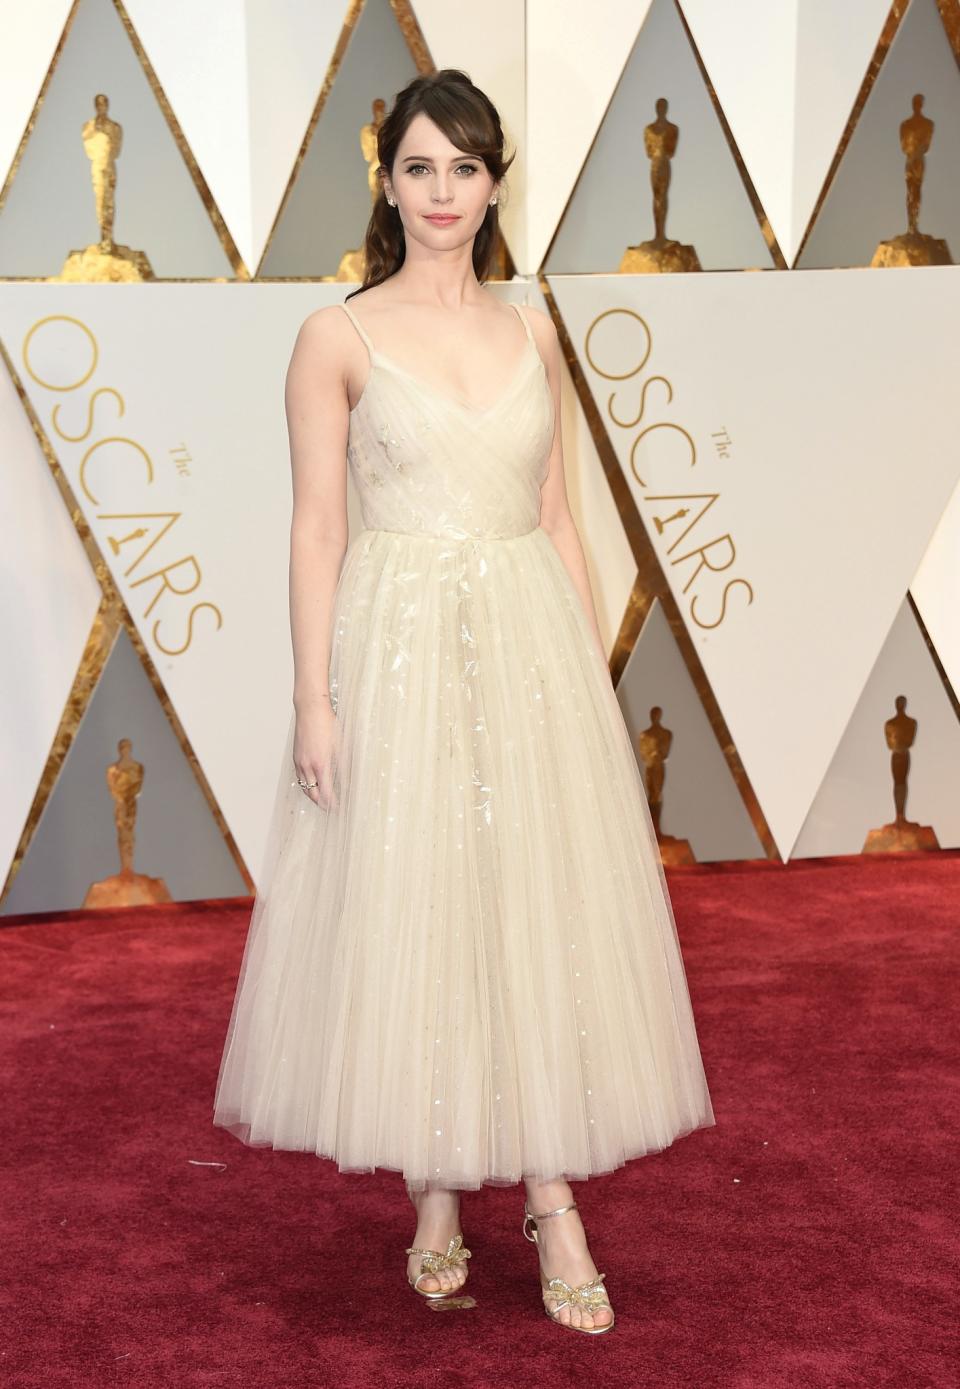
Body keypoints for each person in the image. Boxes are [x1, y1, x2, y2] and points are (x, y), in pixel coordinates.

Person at [213, 68, 714, 1336]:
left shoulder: (534, 326)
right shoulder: (338, 335)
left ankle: (552, 1197)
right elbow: (318, 529)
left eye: (468, 167)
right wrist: (315, 702)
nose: (444, 192)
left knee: (529, 910)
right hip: (397, 651)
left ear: (497, 183)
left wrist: (590, 680)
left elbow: (556, 518)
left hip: (529, 648)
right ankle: (435, 1188)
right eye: (421, 167)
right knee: (420, 905)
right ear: (387, 180)